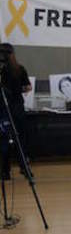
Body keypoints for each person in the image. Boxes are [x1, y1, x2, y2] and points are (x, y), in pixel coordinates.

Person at [0, 43, 31, 180]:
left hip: (4, 109)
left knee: (4, 140)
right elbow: (28, 87)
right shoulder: (19, 69)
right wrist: (18, 90)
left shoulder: (4, 71)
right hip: (17, 108)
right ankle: (24, 168)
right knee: (20, 140)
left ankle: (5, 171)